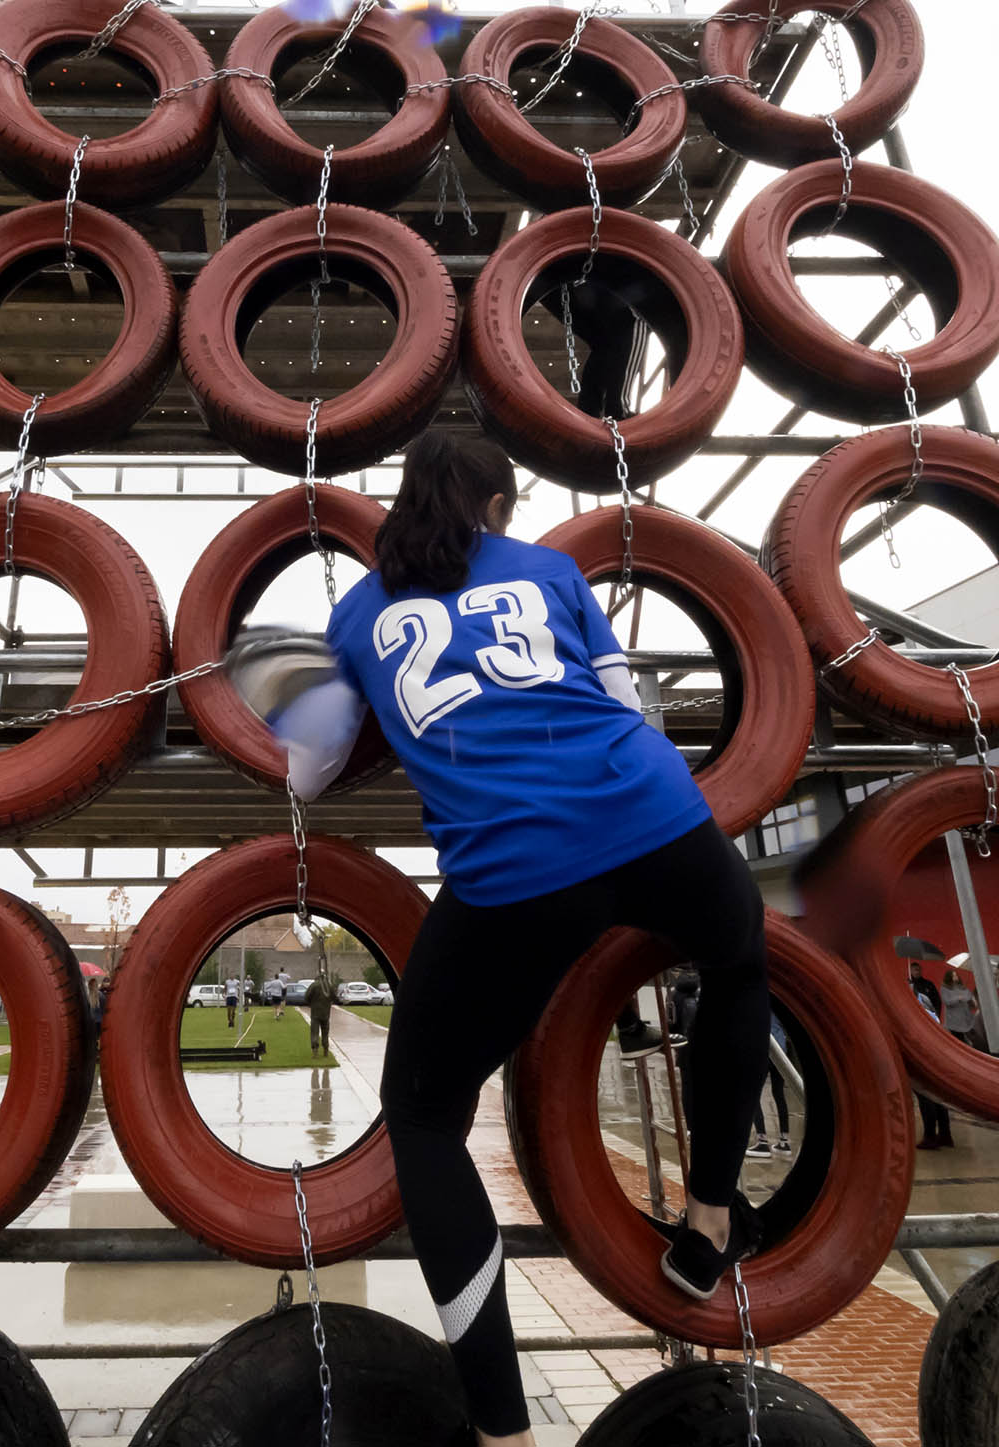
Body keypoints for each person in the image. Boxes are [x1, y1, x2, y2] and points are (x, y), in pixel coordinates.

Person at [271, 431, 771, 1447]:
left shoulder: (357, 615)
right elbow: (626, 702)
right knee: (737, 959)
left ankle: (505, 1427)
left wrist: (286, 685)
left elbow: (304, 774)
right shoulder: (550, 570)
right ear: (496, 505)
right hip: (654, 819)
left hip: (514, 875)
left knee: (421, 1117)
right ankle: (709, 1218)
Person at [911, 970, 953, 1151]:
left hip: (922, 1053)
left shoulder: (913, 1009)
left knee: (925, 1096)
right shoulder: (927, 1003)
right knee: (938, 1096)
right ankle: (945, 1134)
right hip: (936, 1051)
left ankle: (930, 1136)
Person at [749, 1015, 794, 1157]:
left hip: (763, 1051)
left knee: (753, 1094)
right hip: (781, 1052)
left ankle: (762, 1142)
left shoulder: (755, 1002)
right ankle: (784, 1141)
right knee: (779, 1094)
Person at [939, 968, 977, 1043]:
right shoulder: (945, 989)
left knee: (972, 1040)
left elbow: (968, 996)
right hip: (954, 1021)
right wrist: (958, 998)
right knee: (959, 1041)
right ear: (949, 977)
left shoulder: (962, 987)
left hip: (965, 1018)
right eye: (953, 976)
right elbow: (947, 1001)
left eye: (956, 975)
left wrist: (971, 999)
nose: (956, 977)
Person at [305, 969, 336, 1057]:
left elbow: (306, 997)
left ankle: (315, 1051)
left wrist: (310, 1004)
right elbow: (334, 997)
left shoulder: (314, 985)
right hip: (326, 1013)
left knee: (314, 1032)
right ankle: (325, 1050)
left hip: (315, 1012)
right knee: (325, 1032)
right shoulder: (329, 985)